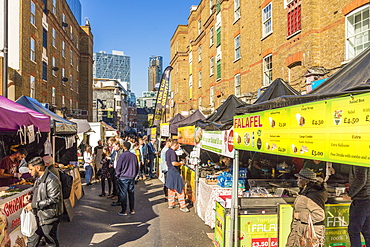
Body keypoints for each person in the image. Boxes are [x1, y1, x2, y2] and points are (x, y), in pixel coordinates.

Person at [25, 157, 63, 247]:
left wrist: (34, 205)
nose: (29, 172)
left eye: (31, 169)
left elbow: (54, 199)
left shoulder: (51, 179)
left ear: (38, 168)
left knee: (51, 242)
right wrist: (31, 197)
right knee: (32, 242)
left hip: (48, 217)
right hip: (39, 216)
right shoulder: (39, 178)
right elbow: (40, 193)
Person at [286, 168, 327, 247]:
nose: (297, 180)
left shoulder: (311, 196)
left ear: (307, 181)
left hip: (308, 232)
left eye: (300, 178)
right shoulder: (308, 192)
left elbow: (319, 215)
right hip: (302, 230)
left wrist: (300, 216)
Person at [344, 165, 370, 247]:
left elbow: (361, 180)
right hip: (367, 199)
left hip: (361, 199)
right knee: (367, 231)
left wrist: (350, 194)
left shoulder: (359, 162)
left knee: (354, 231)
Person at [165, 140, 189, 213]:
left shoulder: (167, 151)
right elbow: (174, 163)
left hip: (170, 171)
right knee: (179, 188)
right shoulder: (172, 152)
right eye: (178, 146)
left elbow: (167, 162)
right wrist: (180, 163)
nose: (178, 147)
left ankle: (171, 204)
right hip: (174, 172)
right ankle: (183, 206)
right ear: (175, 145)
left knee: (171, 189)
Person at [115, 142, 139, 216]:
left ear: (124, 147)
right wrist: (135, 175)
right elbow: (137, 167)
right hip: (131, 177)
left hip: (123, 177)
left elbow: (118, 167)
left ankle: (124, 210)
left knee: (123, 194)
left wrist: (117, 175)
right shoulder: (134, 156)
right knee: (131, 193)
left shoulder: (122, 156)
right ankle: (132, 209)